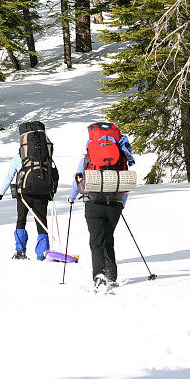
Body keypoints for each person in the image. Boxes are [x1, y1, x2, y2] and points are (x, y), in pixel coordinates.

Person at [68, 124, 135, 291]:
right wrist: (121, 204)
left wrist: (71, 198)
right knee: (108, 237)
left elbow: (78, 181)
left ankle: (99, 275)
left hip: (93, 203)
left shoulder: (86, 159)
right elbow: (124, 182)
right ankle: (112, 275)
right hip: (115, 204)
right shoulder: (120, 158)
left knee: (96, 241)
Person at [0, 121, 57, 261]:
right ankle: (43, 253)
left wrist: (0, 195)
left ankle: (20, 251)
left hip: (24, 194)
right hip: (43, 193)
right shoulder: (44, 156)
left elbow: (9, 177)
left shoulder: (19, 158)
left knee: (21, 220)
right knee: (41, 221)